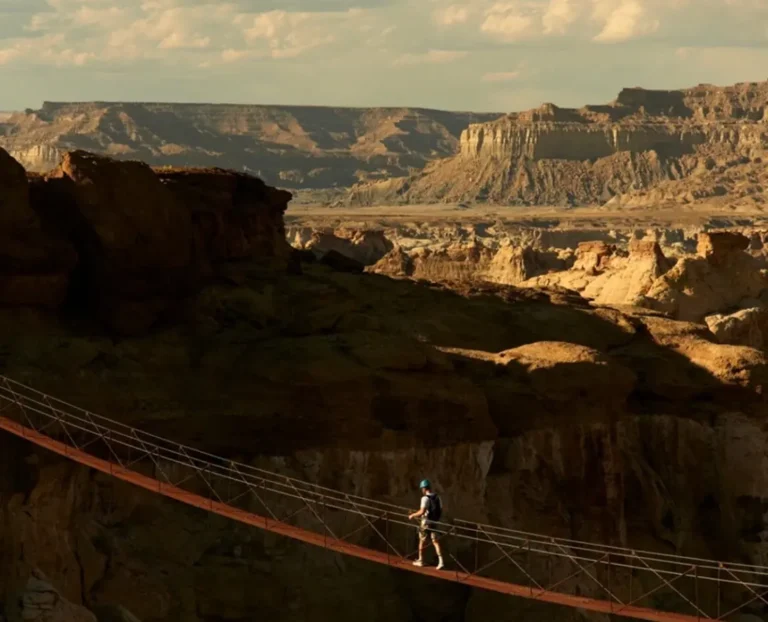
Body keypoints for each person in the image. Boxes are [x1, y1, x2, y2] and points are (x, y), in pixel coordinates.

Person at [408, 478, 445, 569]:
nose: (422, 490)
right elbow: (440, 509)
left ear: (424, 489)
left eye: (422, 489)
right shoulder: (438, 497)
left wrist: (412, 515)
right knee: (435, 541)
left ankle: (421, 560)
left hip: (426, 523)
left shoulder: (425, 498)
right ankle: (441, 562)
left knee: (421, 541)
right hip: (435, 522)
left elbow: (422, 511)